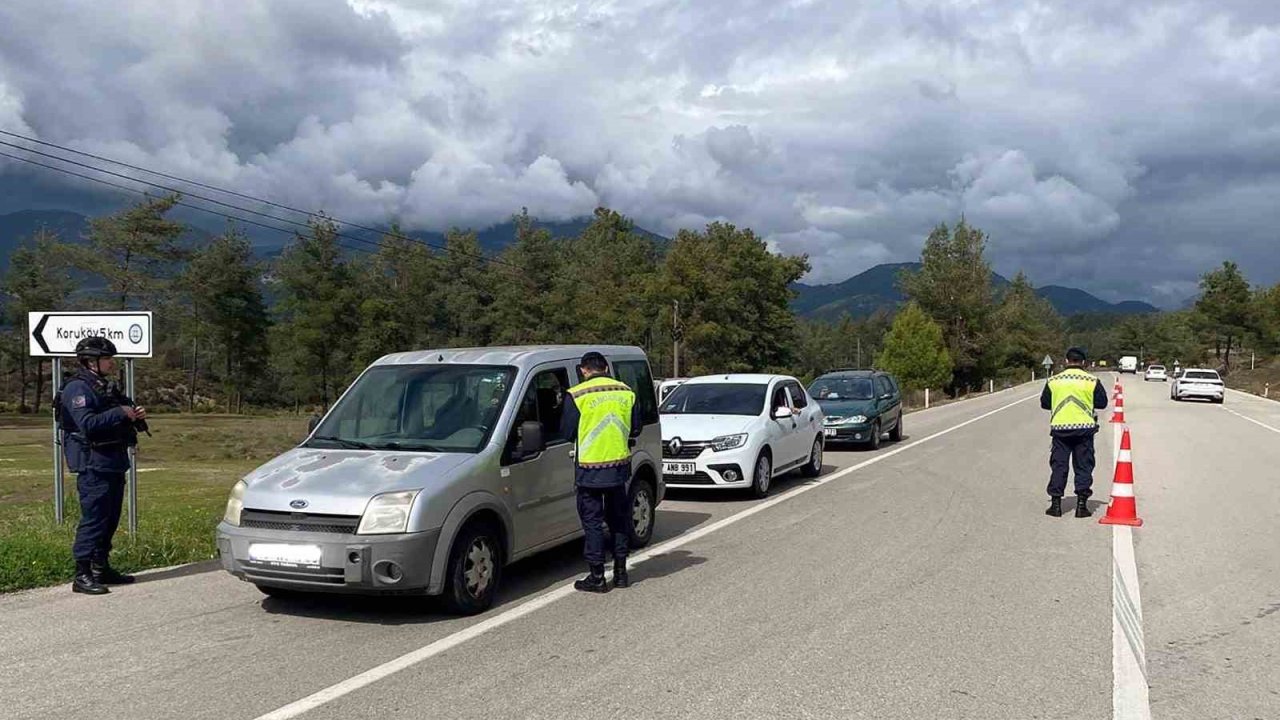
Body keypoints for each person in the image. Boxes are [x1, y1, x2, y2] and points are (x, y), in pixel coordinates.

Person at [57, 337, 147, 594]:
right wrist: (120, 413)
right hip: (93, 464)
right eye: (107, 359)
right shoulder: (78, 388)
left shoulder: (103, 386)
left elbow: (117, 411)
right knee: (94, 519)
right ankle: (82, 574)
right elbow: (87, 423)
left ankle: (101, 567)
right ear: (91, 361)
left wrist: (133, 413)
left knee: (110, 518)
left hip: (112, 460)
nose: (111, 363)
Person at [560, 351, 642, 593]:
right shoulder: (626, 392)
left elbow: (567, 432)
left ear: (583, 370)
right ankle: (621, 573)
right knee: (618, 520)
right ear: (606, 368)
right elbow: (636, 428)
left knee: (593, 523)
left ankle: (597, 577)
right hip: (619, 468)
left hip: (589, 470)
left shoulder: (577, 394)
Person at [1040, 346, 1108, 518]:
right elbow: (1102, 403)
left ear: (1066, 361)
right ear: (1083, 362)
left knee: (1059, 465)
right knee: (1084, 466)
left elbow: (1045, 403)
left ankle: (1056, 505)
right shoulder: (1092, 380)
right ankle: (1081, 506)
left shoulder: (1053, 381)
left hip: (1060, 430)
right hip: (1084, 429)